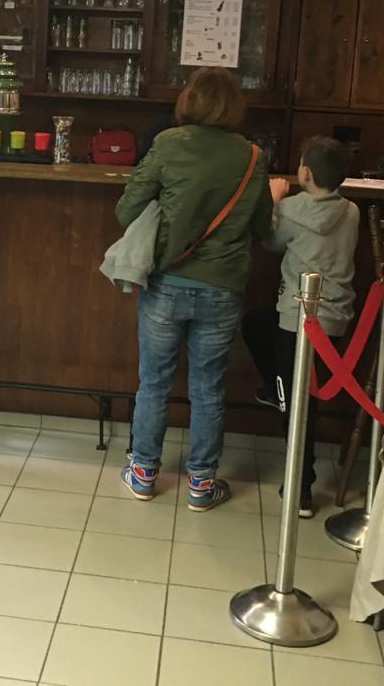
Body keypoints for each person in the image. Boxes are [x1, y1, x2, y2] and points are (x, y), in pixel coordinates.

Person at [114, 67, 272, 511]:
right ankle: (201, 484)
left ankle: (143, 473)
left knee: (153, 382)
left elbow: (126, 210)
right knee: (208, 387)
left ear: (189, 101)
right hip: (223, 288)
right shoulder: (252, 156)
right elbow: (263, 226)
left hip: (167, 281)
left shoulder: (168, 144)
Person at [241, 135, 358, 518]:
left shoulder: (291, 208)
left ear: (304, 172)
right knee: (260, 329)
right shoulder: (352, 212)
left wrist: (274, 199)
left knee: (296, 402)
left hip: (298, 317)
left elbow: (271, 241)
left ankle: (301, 486)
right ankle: (274, 390)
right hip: (335, 319)